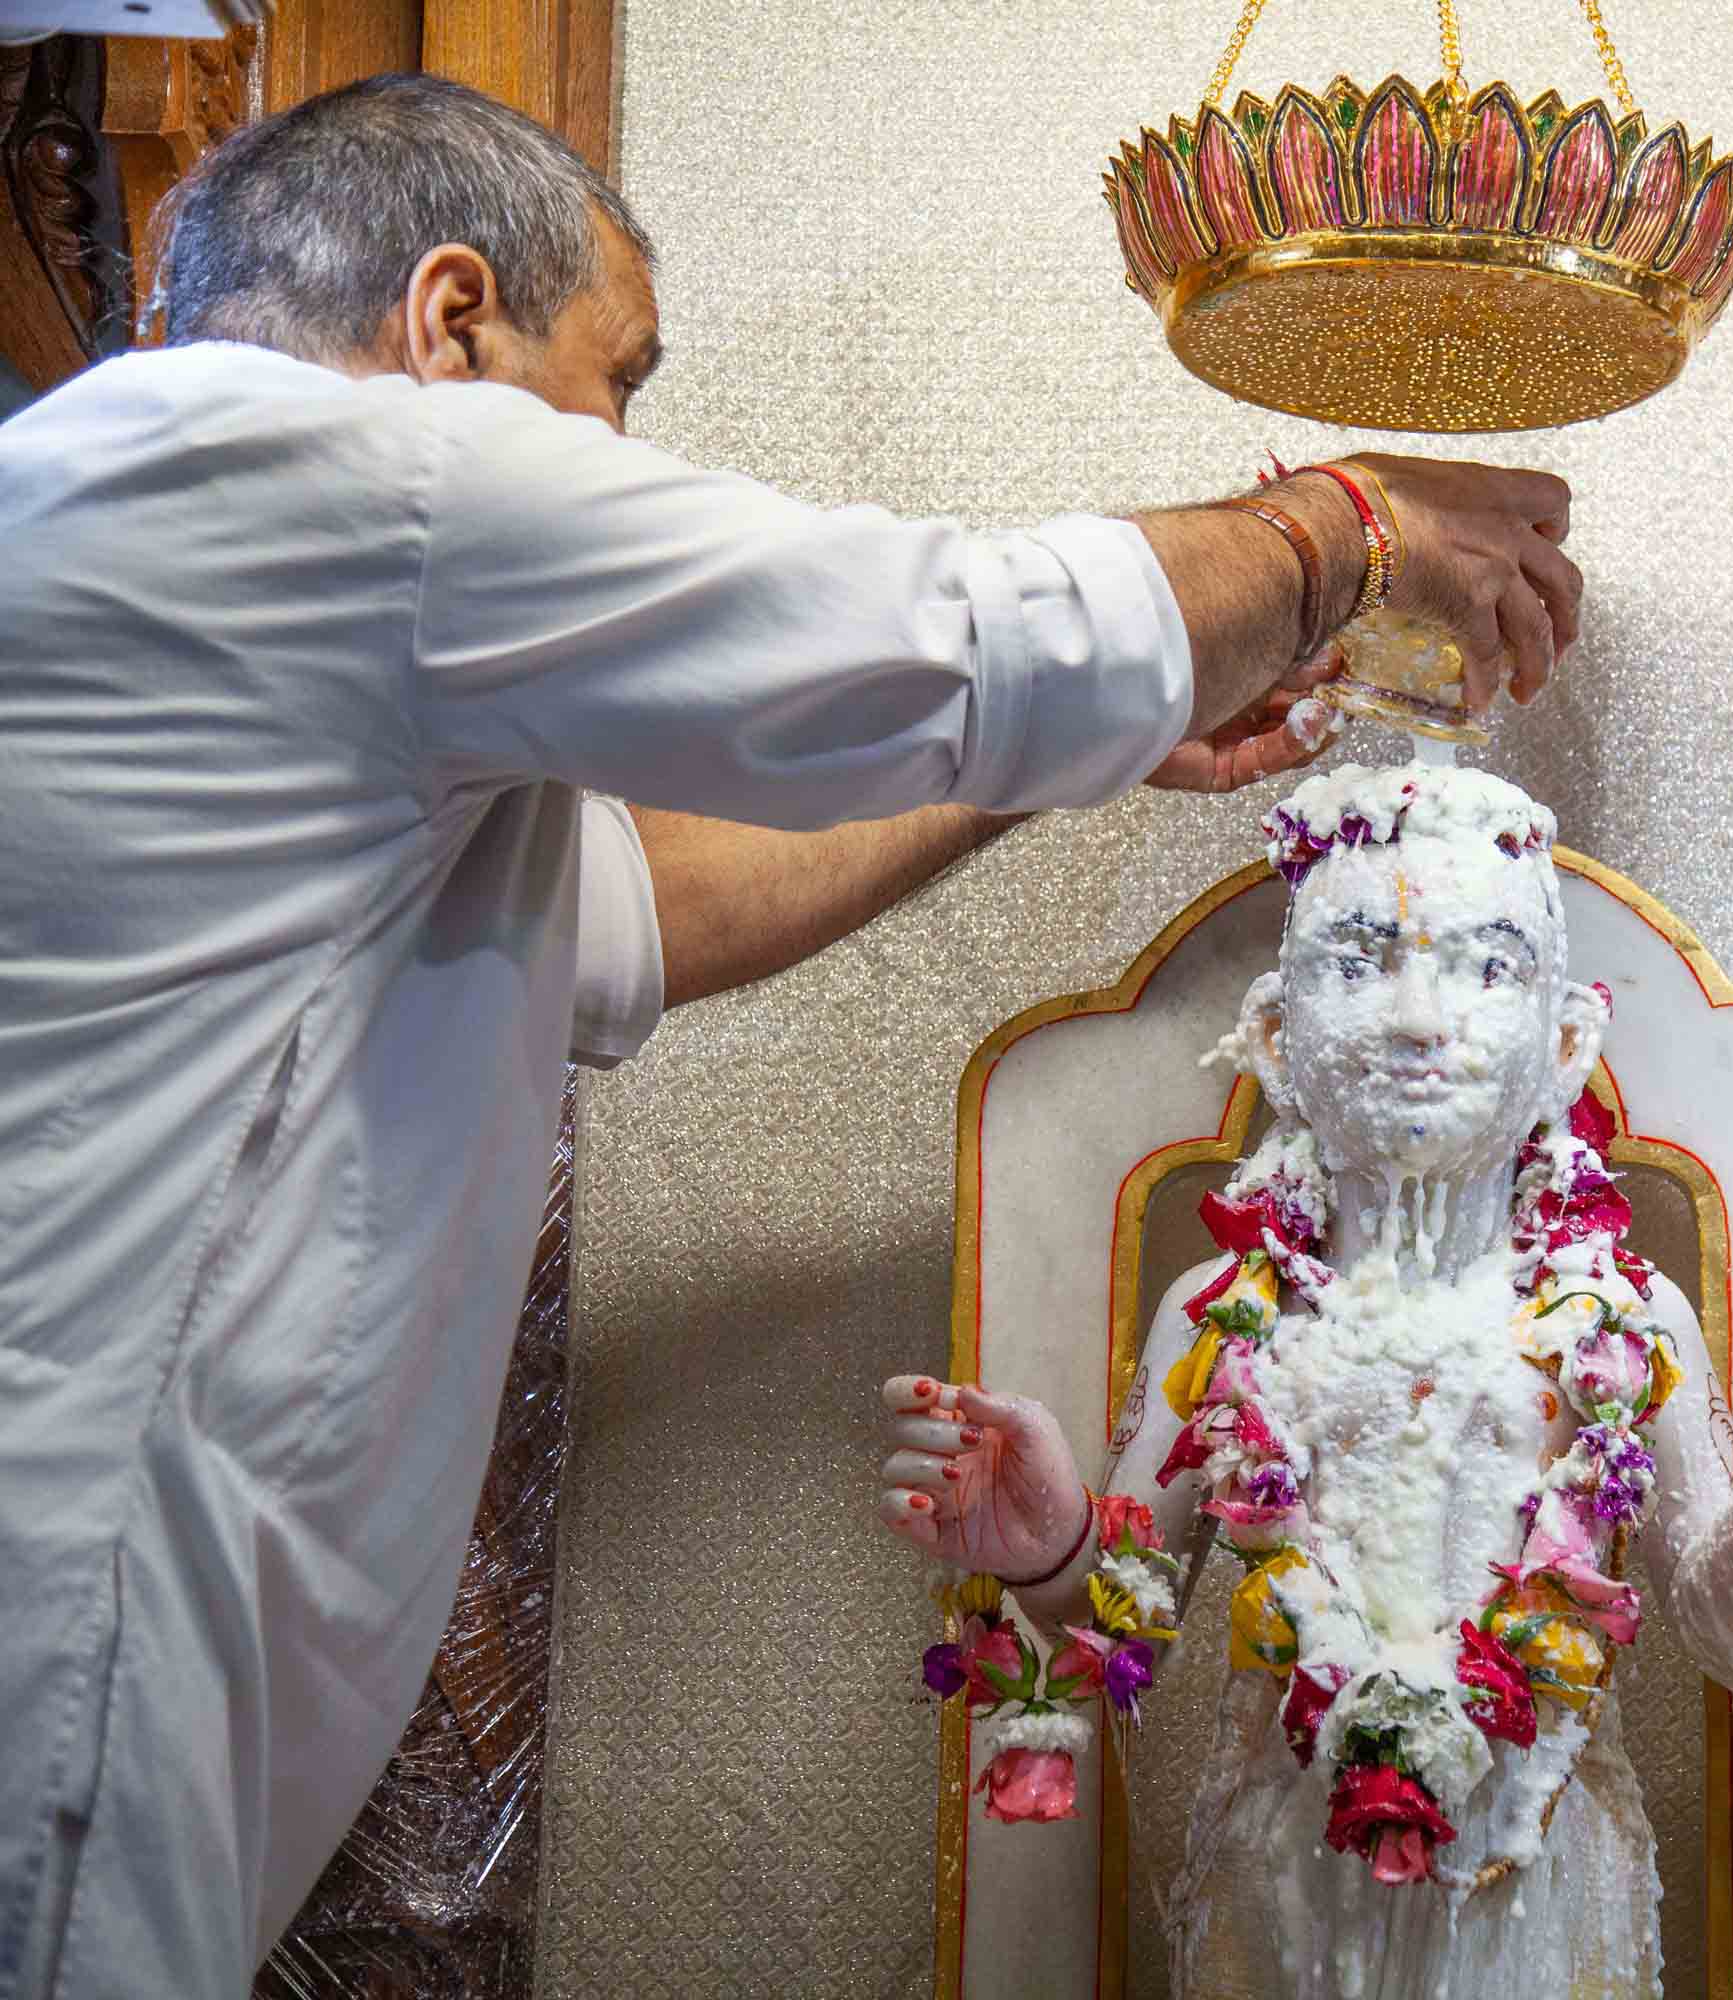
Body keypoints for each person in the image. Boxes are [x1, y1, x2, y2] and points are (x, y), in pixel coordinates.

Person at [0, 73, 1585, 2000]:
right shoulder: (351, 481)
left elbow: (641, 908)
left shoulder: (185, 548)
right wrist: (1342, 528)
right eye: (616, 385)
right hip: (67, 1627)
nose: (620, 448)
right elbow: (970, 630)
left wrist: (1045, 772)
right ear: (448, 325)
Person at [872, 764, 1733, 1997]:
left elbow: (1726, 1633)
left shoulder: (1627, 1317)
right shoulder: (1220, 1316)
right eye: (1364, 958)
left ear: (1562, 1045)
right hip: (1278, 1898)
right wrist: (1054, 1545)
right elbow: (1128, 1625)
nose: (1419, 1016)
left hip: (1545, 1891)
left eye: (1487, 966)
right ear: (1278, 1038)